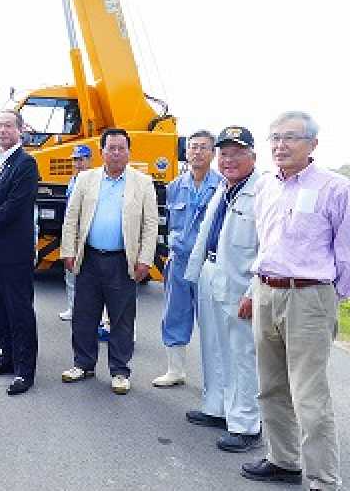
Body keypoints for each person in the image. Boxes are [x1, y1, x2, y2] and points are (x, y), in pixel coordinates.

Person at [241, 112, 349, 490]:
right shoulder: (266, 186)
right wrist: (254, 290)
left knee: (309, 395)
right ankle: (283, 460)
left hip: (309, 297)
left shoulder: (335, 188)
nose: (280, 145)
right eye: (274, 138)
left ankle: (323, 479)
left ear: (313, 144)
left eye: (290, 137)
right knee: (271, 386)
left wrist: (330, 298)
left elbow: (346, 252)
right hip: (267, 291)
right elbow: (265, 244)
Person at [60, 128, 158, 395]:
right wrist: (68, 251)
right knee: (84, 315)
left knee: (122, 319)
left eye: (121, 148)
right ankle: (83, 363)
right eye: (111, 148)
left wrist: (145, 260)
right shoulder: (85, 179)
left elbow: (150, 226)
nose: (116, 153)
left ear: (129, 152)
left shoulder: (142, 182)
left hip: (122, 261)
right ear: (101, 151)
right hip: (89, 258)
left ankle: (119, 370)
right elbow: (72, 218)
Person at [184, 126, 262, 453]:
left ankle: (246, 424)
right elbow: (205, 235)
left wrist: (254, 292)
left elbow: (268, 248)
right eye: (224, 153)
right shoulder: (224, 187)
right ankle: (217, 408)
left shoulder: (263, 191)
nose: (228, 159)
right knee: (213, 345)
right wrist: (195, 273)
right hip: (211, 272)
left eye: (237, 153)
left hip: (241, 281)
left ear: (253, 157)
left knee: (242, 353)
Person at [0, 110, 40, 396]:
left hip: (13, 251)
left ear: (20, 130)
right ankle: (7, 358)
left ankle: (25, 371)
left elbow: (15, 205)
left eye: (8, 126)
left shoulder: (26, 164)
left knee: (19, 310)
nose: (2, 130)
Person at [152, 131, 221, 387]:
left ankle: (213, 379)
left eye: (204, 148)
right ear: (186, 152)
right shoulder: (174, 186)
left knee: (211, 321)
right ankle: (176, 370)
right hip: (179, 260)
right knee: (175, 314)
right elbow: (170, 224)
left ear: (213, 154)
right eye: (193, 147)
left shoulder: (223, 185)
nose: (197, 152)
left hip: (209, 263)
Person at [57, 144, 92, 322]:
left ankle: (86, 311)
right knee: (70, 272)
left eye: (81, 159)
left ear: (89, 160)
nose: (78, 163)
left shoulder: (92, 180)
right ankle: (73, 308)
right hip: (71, 232)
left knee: (86, 275)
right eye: (75, 160)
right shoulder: (73, 180)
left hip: (84, 234)